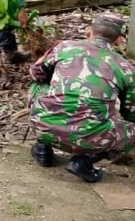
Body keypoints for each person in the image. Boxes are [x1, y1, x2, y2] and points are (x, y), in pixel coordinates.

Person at [28, 13, 135, 183]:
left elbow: (36, 72)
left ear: (88, 32)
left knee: (38, 86)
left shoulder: (65, 47)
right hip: (89, 138)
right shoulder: (126, 68)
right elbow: (131, 113)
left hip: (42, 124)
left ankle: (43, 147)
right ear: (118, 41)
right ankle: (84, 161)